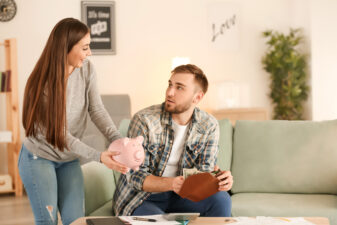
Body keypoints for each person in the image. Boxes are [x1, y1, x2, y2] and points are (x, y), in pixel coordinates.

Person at [18, 18, 128, 225]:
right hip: (39, 158)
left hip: (67, 159)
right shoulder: (41, 84)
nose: (90, 53)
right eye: (85, 47)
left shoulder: (86, 69)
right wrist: (98, 156)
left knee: (76, 221)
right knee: (47, 221)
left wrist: (117, 140)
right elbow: (57, 134)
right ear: (64, 48)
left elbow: (96, 109)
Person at [113, 64, 233, 216]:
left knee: (221, 199)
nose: (170, 92)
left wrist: (220, 180)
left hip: (184, 196)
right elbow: (135, 176)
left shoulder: (209, 125)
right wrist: (171, 183)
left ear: (197, 97)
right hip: (144, 197)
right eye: (170, 85)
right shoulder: (144, 120)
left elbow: (204, 170)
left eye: (179, 87)